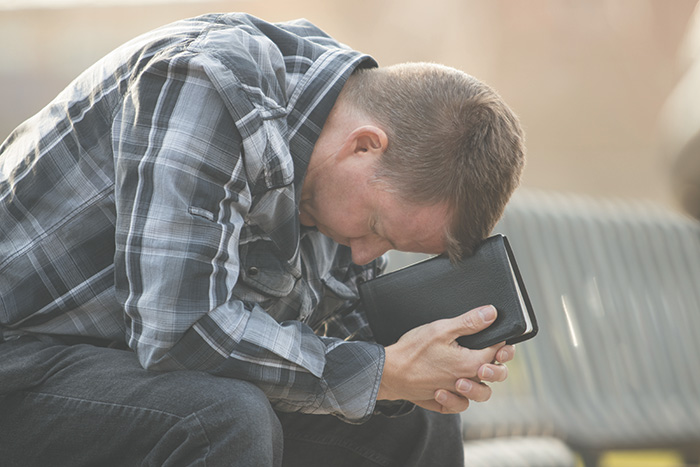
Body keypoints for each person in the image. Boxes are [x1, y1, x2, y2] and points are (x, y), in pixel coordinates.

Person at [0, 12, 525, 467]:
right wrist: (383, 372)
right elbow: (182, 331)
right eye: (376, 229)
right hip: (22, 365)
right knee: (223, 418)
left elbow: (340, 337)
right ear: (364, 146)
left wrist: (426, 368)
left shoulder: (333, 167)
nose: (365, 255)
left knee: (414, 422)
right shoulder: (207, 82)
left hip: (129, 375)